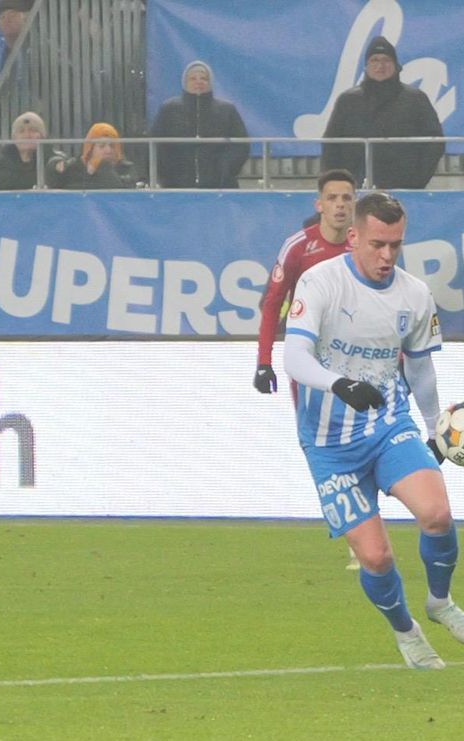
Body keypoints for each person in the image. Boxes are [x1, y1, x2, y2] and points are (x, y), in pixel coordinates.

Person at [282, 191, 464, 670]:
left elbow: (420, 368)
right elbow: (293, 357)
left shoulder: (414, 294)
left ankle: (440, 601)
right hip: (329, 445)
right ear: (353, 237)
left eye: (396, 245)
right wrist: (339, 384)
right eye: (377, 244)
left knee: (436, 513)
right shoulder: (320, 282)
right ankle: (407, 632)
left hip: (388, 423)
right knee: (375, 558)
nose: (387, 255)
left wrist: (435, 428)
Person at [255, 169, 357, 569]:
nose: (340, 205)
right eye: (333, 198)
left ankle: (359, 533)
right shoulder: (299, 247)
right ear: (320, 205)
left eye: (347, 198)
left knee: (357, 444)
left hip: (356, 359)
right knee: (319, 447)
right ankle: (352, 523)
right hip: (309, 362)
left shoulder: (365, 246)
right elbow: (271, 304)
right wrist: (264, 362)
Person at [321, 36, 443, 190]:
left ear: (396, 65)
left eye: (386, 60)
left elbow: (434, 142)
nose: (380, 66)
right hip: (355, 188)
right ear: (366, 66)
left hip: (405, 187)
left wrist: (417, 179)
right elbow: (331, 144)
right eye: (374, 60)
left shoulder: (415, 99)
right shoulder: (348, 100)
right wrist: (338, 182)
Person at [147, 60, 249, 189]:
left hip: (221, 186)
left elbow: (241, 144)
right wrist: (167, 172)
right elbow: (156, 144)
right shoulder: (168, 109)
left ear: (210, 82)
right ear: (185, 82)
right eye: (193, 78)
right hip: (176, 186)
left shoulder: (227, 110)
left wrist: (225, 168)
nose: (198, 82)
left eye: (203, 78)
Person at [47, 122, 137, 190]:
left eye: (112, 146)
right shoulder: (75, 167)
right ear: (90, 149)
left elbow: (118, 189)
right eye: (102, 146)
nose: (108, 150)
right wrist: (55, 166)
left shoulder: (126, 169)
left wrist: (102, 165)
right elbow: (53, 182)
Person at [0, 109, 46, 190]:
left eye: (33, 130)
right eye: (21, 131)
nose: (27, 135)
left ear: (42, 137)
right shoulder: (3, 164)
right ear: (14, 138)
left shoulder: (52, 160)